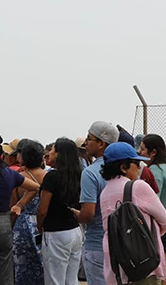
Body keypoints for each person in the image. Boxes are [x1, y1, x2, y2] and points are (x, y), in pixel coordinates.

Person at [99, 142, 166, 285]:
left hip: (117, 269)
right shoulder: (138, 187)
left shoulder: (104, 194)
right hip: (143, 266)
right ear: (123, 167)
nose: (140, 167)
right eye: (136, 163)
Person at [0, 134, 40, 285]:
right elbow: (35, 188)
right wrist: (20, 205)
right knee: (5, 276)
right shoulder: (10, 174)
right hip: (5, 225)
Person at [37, 138, 84, 285]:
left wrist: (40, 226)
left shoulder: (52, 176)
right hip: (75, 230)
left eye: (52, 149)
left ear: (59, 154)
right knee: (71, 279)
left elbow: (42, 210)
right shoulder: (79, 175)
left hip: (56, 232)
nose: (49, 153)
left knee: (54, 279)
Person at [76, 121, 118, 284]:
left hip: (97, 244)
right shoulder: (123, 170)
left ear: (101, 143)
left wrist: (77, 215)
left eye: (89, 138)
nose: (85, 143)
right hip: (120, 243)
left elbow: (88, 213)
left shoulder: (90, 173)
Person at [137, 135, 166, 285]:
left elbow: (151, 201)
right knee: (165, 267)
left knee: (157, 271)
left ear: (153, 152)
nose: (139, 151)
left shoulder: (156, 170)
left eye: (142, 149)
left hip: (162, 226)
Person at [8, 139, 47, 285]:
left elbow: (12, 206)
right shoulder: (48, 176)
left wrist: (10, 228)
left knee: (21, 270)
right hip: (42, 226)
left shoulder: (19, 178)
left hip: (22, 226)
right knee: (42, 269)